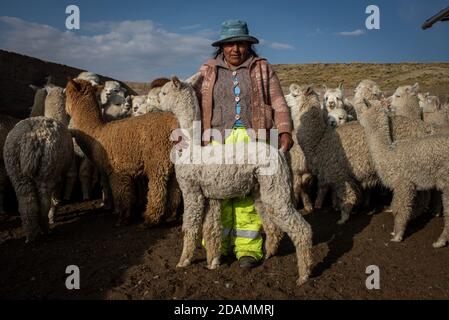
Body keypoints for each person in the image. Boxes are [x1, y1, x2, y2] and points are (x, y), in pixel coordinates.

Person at [196, 20, 294, 269]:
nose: (235, 49)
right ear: (222, 47)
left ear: (249, 45)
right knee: (217, 196)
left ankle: (247, 249)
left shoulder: (262, 68)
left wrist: (284, 129)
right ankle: (218, 246)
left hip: (253, 140)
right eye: (230, 44)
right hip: (217, 140)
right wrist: (192, 135)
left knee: (248, 196)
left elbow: (278, 100)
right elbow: (193, 102)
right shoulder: (207, 70)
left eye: (240, 43)